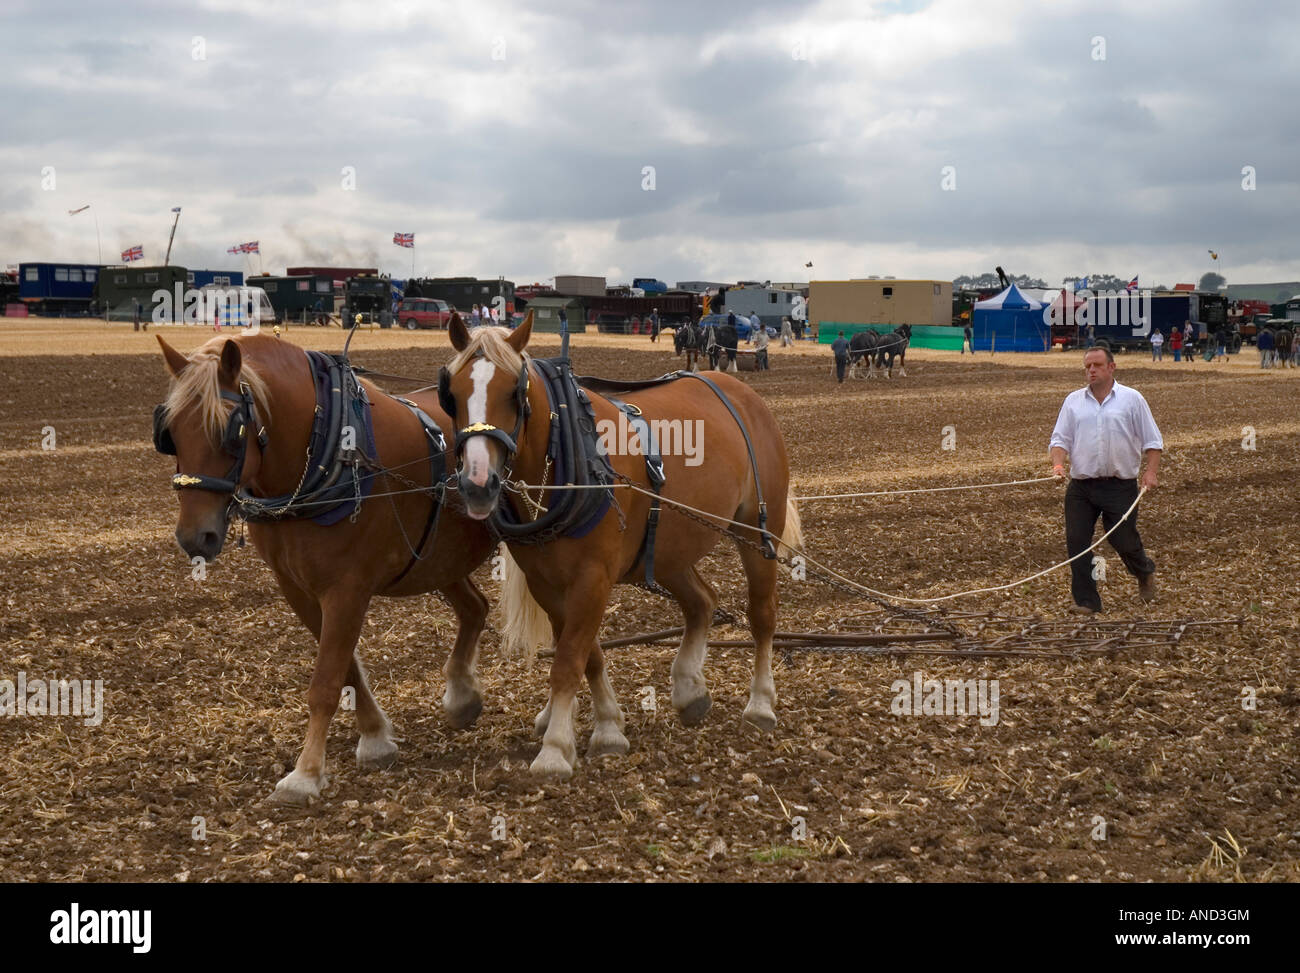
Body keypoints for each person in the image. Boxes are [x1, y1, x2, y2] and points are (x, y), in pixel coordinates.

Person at [1049, 347, 1161, 614]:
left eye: (1097, 365)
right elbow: (1059, 440)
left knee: (1123, 540)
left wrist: (1151, 472)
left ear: (1111, 367)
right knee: (1077, 542)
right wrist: (1057, 464)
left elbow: (1152, 441)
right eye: (1087, 366)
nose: (1091, 370)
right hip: (1081, 487)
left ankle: (1144, 572)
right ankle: (1087, 602)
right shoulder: (1073, 402)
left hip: (1119, 486)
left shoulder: (1132, 399)